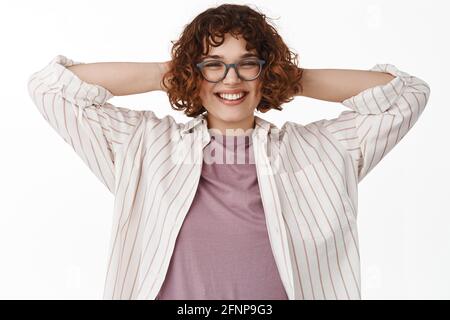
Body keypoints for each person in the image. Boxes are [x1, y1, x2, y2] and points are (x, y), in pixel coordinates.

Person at [27, 4, 430, 300]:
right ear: (193, 73)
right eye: (214, 65)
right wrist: (172, 72)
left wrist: (287, 78)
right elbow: (50, 87)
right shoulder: (144, 145)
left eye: (247, 64)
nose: (231, 79)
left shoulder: (319, 151)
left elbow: (407, 95)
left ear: (265, 72)